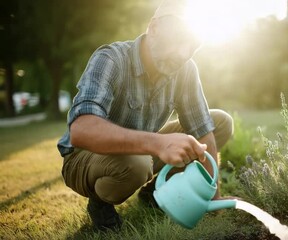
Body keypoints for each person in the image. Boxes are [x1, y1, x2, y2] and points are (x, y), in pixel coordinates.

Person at [57, 0, 233, 231]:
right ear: (154, 28)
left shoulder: (185, 68)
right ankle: (100, 203)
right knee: (137, 164)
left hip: (143, 150)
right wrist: (158, 143)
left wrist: (214, 196)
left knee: (220, 122)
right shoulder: (112, 59)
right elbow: (81, 130)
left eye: (192, 46)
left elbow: (203, 129)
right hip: (83, 158)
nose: (183, 53)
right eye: (178, 40)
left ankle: (155, 193)